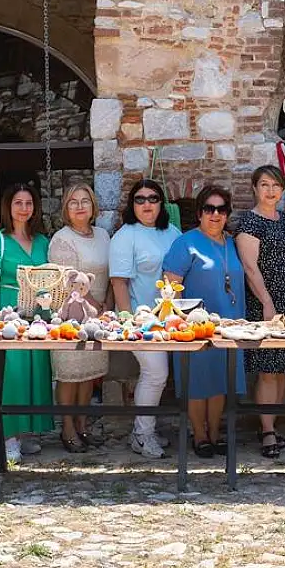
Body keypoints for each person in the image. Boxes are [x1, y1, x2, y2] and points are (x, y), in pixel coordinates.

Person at [163, 185, 246, 458]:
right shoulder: (185, 243)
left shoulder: (232, 243)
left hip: (229, 324)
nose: (215, 214)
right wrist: (184, 321)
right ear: (199, 213)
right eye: (209, 208)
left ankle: (215, 431)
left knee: (221, 379)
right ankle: (199, 434)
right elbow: (170, 288)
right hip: (195, 326)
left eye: (221, 209)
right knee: (197, 382)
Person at [0, 184, 53, 464]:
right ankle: (9, 437)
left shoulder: (44, 241)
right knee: (14, 374)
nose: (24, 208)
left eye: (29, 203)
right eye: (18, 203)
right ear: (8, 207)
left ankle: (28, 431)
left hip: (40, 314)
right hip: (11, 313)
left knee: (37, 370)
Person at [110, 179, 181, 459]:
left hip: (170, 320)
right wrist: (129, 320)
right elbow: (118, 283)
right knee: (156, 373)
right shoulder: (125, 236)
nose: (147, 204)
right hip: (140, 319)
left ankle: (145, 428)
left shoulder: (171, 232)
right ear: (132, 205)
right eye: (139, 199)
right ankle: (142, 435)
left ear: (161, 203)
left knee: (158, 376)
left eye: (152, 198)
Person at [235, 165, 285, 458]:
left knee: (280, 369)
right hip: (266, 301)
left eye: (276, 185)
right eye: (264, 185)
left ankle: (272, 424)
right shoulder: (250, 222)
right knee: (267, 369)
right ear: (254, 188)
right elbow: (250, 268)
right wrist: (266, 302)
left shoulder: (283, 218)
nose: (270, 191)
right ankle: (267, 431)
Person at [48, 182, 112, 453]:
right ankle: (67, 429)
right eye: (73, 202)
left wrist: (107, 305)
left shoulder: (103, 236)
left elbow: (112, 272)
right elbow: (66, 281)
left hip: (98, 317)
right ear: (66, 208)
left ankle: (83, 425)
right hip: (70, 315)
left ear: (93, 206)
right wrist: (95, 304)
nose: (80, 206)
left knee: (89, 375)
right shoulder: (62, 239)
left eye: (85, 201)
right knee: (70, 374)